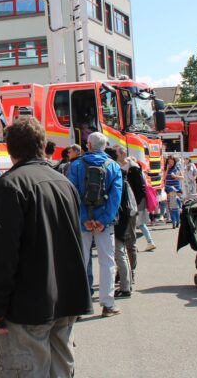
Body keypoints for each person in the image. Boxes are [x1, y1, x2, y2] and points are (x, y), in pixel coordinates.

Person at [0, 116, 91, 377]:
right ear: (42, 145)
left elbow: (1, 254)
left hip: (27, 306)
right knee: (61, 370)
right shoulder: (63, 183)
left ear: (10, 148)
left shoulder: (11, 185)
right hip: (65, 300)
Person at [69, 131, 123, 317]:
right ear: (105, 146)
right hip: (104, 224)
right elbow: (116, 197)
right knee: (107, 262)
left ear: (89, 145)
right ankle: (108, 304)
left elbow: (72, 193)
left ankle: (79, 305)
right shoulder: (113, 166)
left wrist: (84, 217)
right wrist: (103, 220)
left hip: (82, 222)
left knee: (81, 261)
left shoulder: (76, 165)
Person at [113, 147, 137, 298]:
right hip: (126, 215)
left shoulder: (120, 177)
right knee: (122, 250)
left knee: (121, 251)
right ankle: (126, 282)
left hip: (120, 217)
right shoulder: (122, 177)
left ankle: (125, 285)